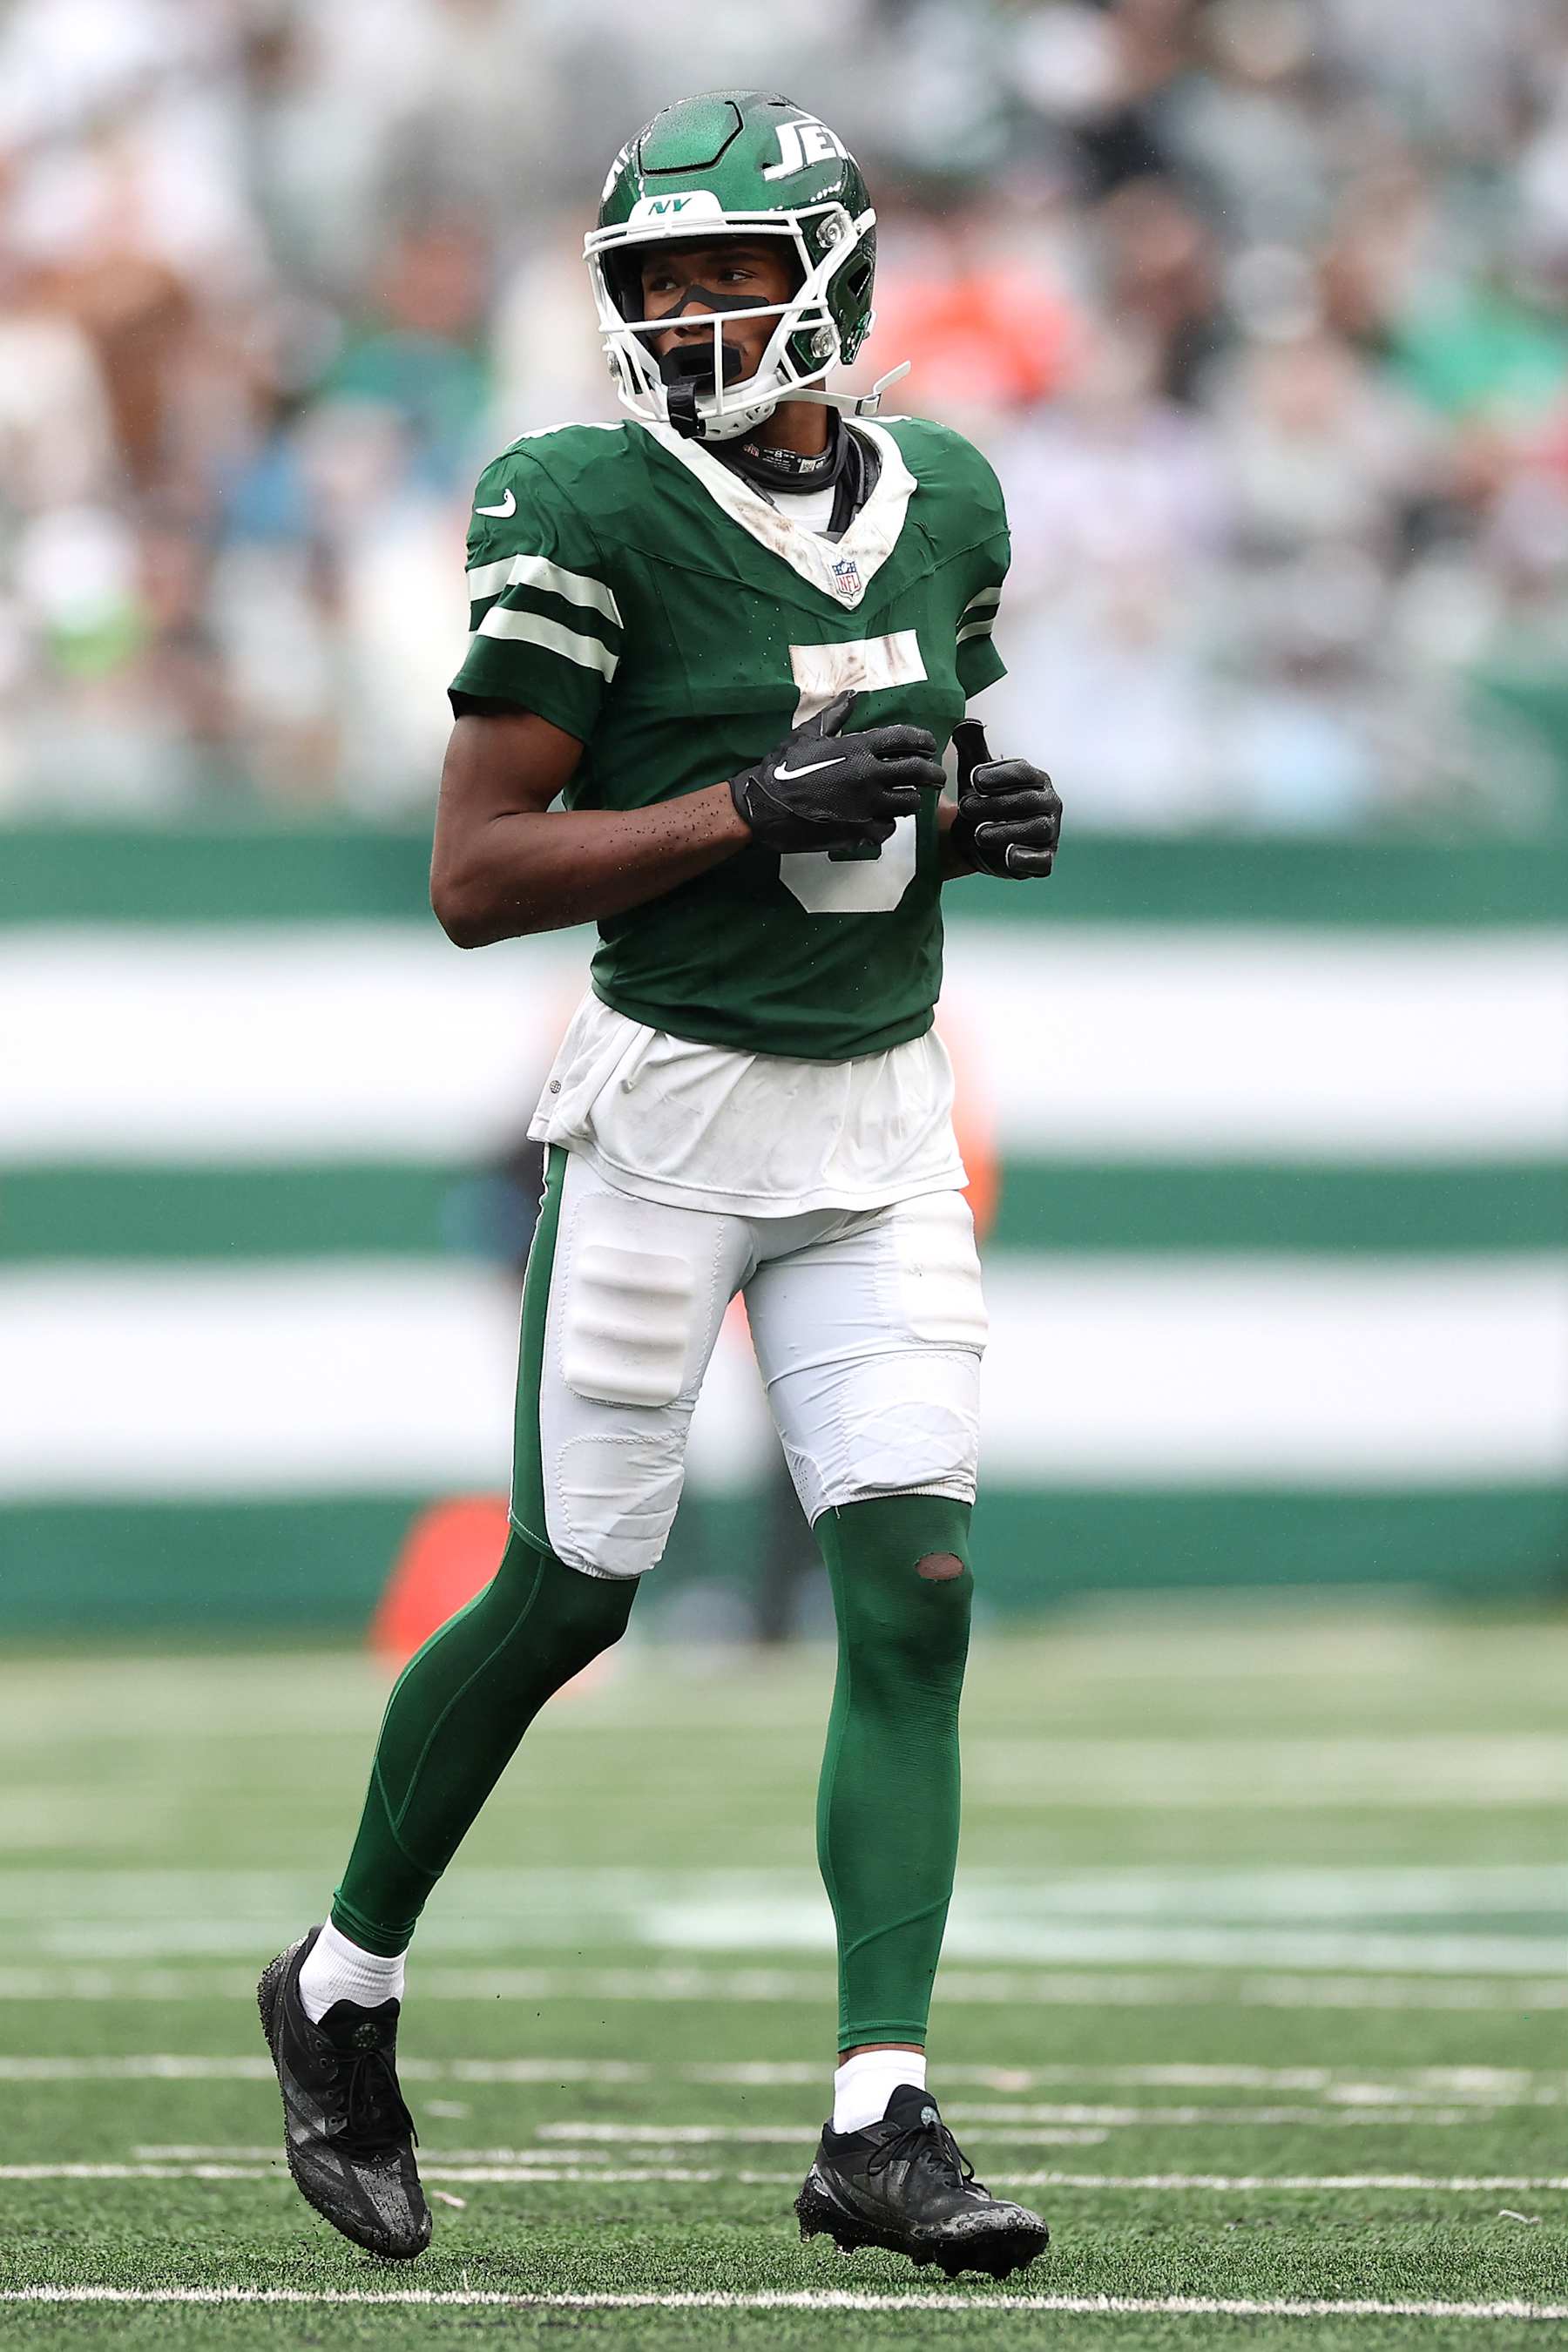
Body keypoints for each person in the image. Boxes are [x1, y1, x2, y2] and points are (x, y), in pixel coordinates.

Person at [259, 88, 1062, 2282]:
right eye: (662, 284)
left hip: (877, 1119)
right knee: (570, 1592)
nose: (698, 317)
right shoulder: (584, 501)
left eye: (730, 272)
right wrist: (741, 806)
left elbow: (902, 753)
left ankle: (879, 2115)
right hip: (670, 1114)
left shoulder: (948, 502)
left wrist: (967, 811)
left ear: (838, 275)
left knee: (911, 1593)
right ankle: (339, 1991)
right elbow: (474, 873)